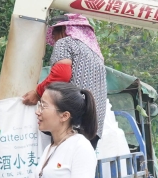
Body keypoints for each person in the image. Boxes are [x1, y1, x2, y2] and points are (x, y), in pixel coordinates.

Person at [23, 14, 107, 149]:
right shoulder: (96, 54)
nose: (54, 39)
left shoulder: (65, 42)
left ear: (63, 29)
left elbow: (61, 74)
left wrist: (38, 93)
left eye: (54, 34)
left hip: (70, 122)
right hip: (93, 124)